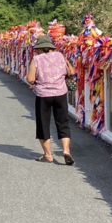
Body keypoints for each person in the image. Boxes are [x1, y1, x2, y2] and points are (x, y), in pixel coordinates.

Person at [25, 34, 75, 165]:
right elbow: (71, 72)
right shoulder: (60, 56)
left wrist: (35, 81)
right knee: (63, 122)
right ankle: (66, 151)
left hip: (43, 95)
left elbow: (30, 79)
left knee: (43, 124)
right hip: (60, 93)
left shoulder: (36, 59)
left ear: (40, 48)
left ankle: (48, 155)